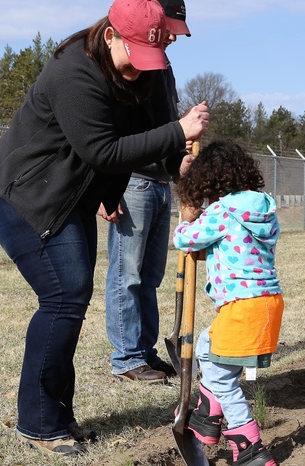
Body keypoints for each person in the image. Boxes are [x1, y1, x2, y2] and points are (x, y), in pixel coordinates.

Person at [0, 0, 209, 456]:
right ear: (110, 36)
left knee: (71, 296)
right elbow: (101, 149)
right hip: (23, 193)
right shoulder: (73, 71)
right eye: (135, 55)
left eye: (152, 58)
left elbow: (159, 133)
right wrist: (178, 132)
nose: (142, 69)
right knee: (64, 294)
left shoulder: (152, 69)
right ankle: (41, 423)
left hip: (73, 194)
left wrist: (179, 165)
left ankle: (56, 417)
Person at [172, 139, 284, 466]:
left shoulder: (222, 211)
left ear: (207, 180)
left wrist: (187, 219)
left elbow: (187, 240)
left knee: (222, 378)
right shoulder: (263, 210)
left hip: (241, 306)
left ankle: (251, 451)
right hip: (267, 303)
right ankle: (207, 418)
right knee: (207, 345)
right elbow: (239, 247)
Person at [103, 0, 191, 384]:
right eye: (169, 26)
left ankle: (146, 351)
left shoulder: (163, 66)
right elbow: (113, 130)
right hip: (133, 180)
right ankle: (126, 357)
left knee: (151, 275)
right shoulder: (127, 63)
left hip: (159, 180)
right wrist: (110, 186)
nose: (172, 36)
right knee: (127, 274)